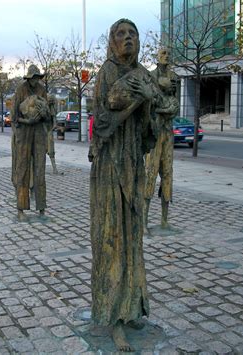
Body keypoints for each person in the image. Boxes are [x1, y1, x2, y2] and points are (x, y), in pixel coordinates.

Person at [88, 19, 158, 352]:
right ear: (112, 42)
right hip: (109, 167)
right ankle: (113, 317)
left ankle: (131, 309)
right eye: (120, 34)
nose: (127, 39)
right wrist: (130, 103)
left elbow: (149, 131)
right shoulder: (105, 73)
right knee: (111, 239)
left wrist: (147, 103)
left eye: (132, 34)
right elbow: (100, 121)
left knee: (133, 238)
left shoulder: (144, 74)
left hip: (132, 165)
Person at [144, 48, 179, 230]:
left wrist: (168, 107)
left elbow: (175, 107)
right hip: (155, 132)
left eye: (168, 53)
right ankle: (144, 221)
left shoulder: (174, 77)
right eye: (164, 53)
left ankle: (164, 221)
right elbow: (149, 103)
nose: (167, 56)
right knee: (150, 172)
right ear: (157, 57)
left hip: (168, 133)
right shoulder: (150, 77)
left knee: (168, 173)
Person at [11, 64, 50, 221]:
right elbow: (14, 116)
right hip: (24, 133)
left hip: (39, 132)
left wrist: (44, 114)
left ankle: (41, 209)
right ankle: (21, 210)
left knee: (40, 170)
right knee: (23, 170)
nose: (35, 81)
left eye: (37, 78)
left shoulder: (42, 90)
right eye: (33, 78)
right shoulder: (20, 89)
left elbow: (48, 115)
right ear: (28, 78)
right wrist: (27, 121)